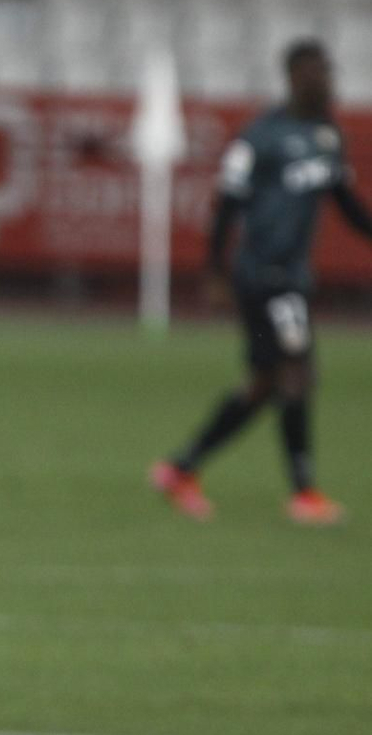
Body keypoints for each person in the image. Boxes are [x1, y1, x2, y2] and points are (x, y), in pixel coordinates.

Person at [151, 40, 371, 526]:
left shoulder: (327, 135)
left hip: (291, 275)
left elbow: (345, 201)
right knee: (297, 371)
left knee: (267, 383)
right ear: (294, 76)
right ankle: (304, 492)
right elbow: (228, 202)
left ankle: (181, 466)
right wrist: (213, 269)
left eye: (330, 72)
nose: (327, 81)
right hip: (265, 274)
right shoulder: (261, 136)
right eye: (317, 72)